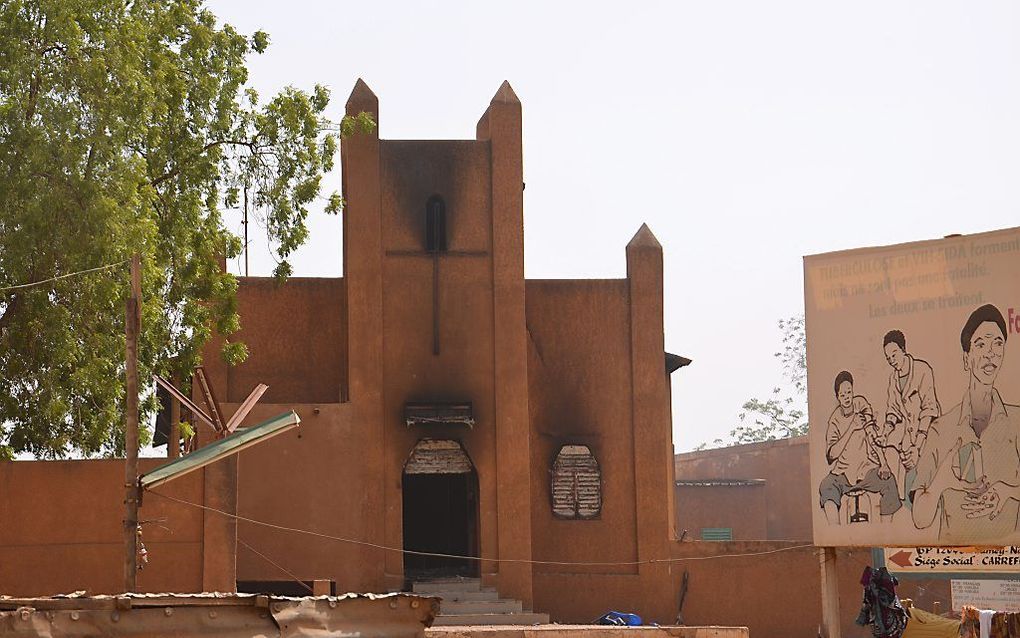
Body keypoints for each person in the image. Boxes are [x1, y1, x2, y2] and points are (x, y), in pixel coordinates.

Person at [911, 304, 1020, 542]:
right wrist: (943, 481)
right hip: (954, 567)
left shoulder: (1017, 422)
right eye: (981, 344)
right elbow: (920, 518)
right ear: (966, 358)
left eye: (998, 343)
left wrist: (1008, 492)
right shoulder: (941, 429)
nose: (991, 352)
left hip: (1009, 566)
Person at [819, 371, 902, 524]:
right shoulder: (835, 421)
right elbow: (831, 456)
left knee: (889, 482)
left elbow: (872, 435)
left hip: (866, 471)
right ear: (837, 397)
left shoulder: (861, 405)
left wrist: (883, 463)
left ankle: (887, 533)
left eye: (849, 392)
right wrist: (852, 428)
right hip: (843, 475)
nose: (847, 398)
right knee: (826, 486)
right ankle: (834, 533)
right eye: (842, 394)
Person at [880, 330, 941, 503]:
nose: (892, 360)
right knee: (909, 496)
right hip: (909, 443)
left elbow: (929, 411)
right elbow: (893, 411)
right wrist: (885, 433)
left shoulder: (922, 370)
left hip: (930, 438)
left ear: (903, 349)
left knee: (928, 491)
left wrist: (918, 447)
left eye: (894, 354)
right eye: (888, 358)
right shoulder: (893, 379)